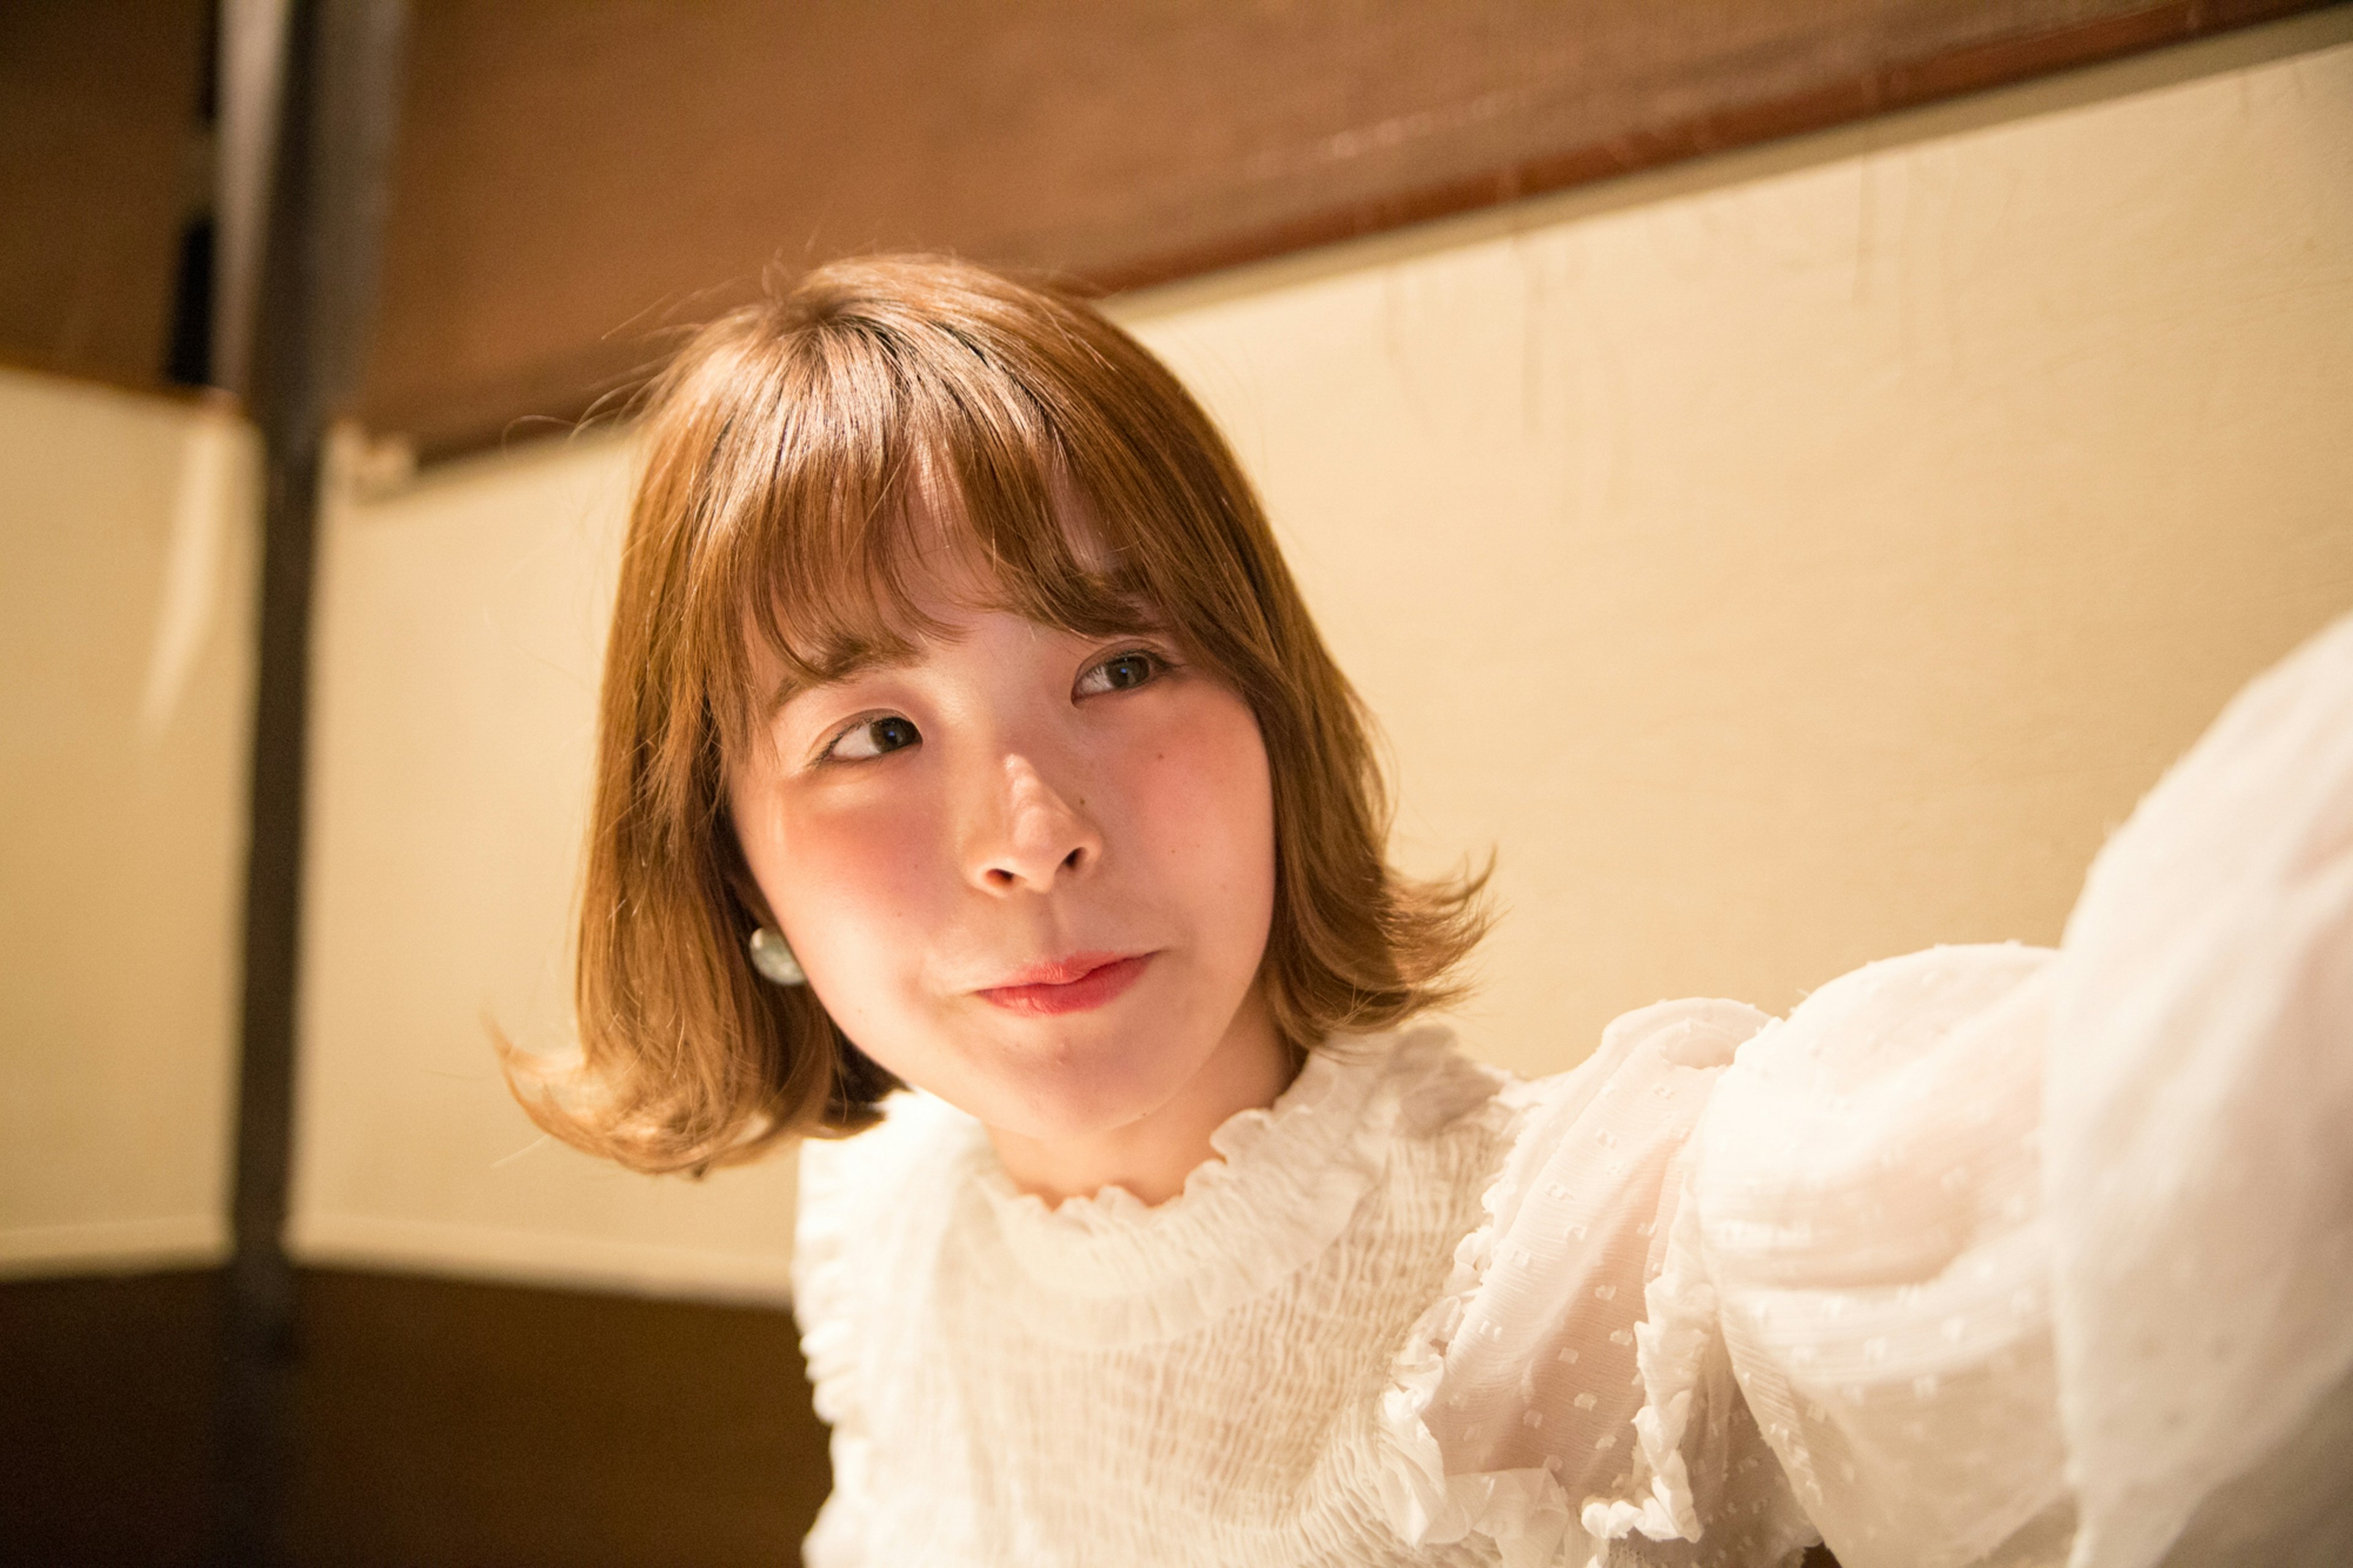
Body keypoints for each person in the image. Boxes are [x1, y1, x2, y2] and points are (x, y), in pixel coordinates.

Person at [508, 255, 2353, 1568]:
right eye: (876, 730)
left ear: (1277, 724)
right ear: (727, 856)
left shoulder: (1601, 1259)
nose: (1029, 832)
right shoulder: (891, 1226)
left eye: (1126, 663)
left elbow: (2172, 1115)